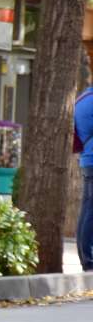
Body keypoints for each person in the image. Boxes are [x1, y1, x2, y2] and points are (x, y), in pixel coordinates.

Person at [75, 76, 93, 271]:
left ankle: (86, 257)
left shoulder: (83, 98)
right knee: (90, 212)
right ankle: (88, 260)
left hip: (88, 159)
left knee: (88, 210)